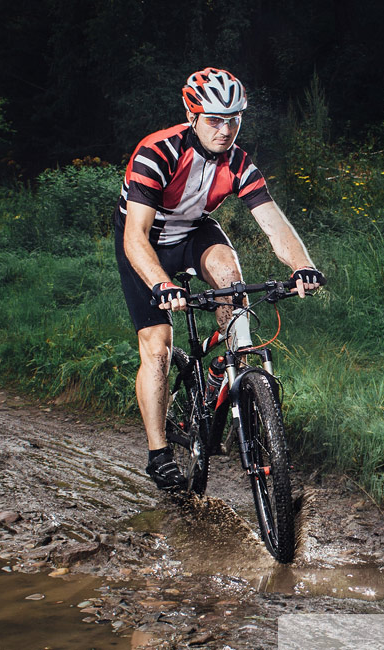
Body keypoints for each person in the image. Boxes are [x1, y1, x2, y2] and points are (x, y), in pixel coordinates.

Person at [113, 67, 323, 492]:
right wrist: (160, 283)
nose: (225, 130)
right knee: (157, 348)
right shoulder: (158, 152)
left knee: (230, 275)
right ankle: (159, 454)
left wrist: (302, 264)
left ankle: (229, 377)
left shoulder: (238, 162)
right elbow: (134, 236)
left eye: (234, 119)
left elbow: (274, 225)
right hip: (146, 242)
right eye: (214, 119)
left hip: (192, 232)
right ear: (192, 115)